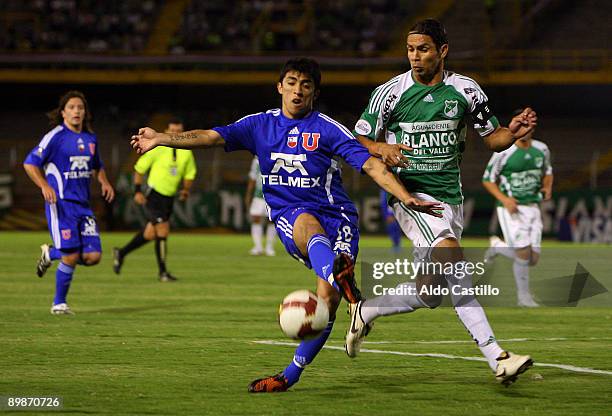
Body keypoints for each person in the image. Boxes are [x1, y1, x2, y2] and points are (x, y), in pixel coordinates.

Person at [130, 57, 441, 392]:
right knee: (307, 225)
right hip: (292, 215)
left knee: (327, 304)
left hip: (339, 217)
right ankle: (340, 276)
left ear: (314, 93)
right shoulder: (259, 125)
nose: (298, 90)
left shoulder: (327, 128)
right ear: (280, 87)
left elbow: (371, 165)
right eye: (292, 82)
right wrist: (162, 137)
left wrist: (405, 197)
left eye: (306, 85)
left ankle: (289, 375)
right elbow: (209, 136)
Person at [347, 19, 537, 385]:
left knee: (429, 291)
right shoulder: (389, 93)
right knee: (452, 257)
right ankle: (497, 355)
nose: (415, 57)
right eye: (410, 50)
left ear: (442, 51)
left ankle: (366, 310)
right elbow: (358, 141)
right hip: (411, 196)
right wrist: (382, 147)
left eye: (423, 49)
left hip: (450, 197)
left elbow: (492, 138)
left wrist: (512, 133)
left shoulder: (465, 90)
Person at [24, 90, 115, 315]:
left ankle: (51, 254)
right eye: (72, 107)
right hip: (61, 204)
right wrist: (44, 186)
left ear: (85, 113)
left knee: (93, 257)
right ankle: (59, 304)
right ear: (63, 112)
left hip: (83, 206)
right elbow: (29, 163)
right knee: (72, 255)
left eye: (80, 108)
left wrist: (104, 181)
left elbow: (97, 165)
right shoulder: (55, 136)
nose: (76, 111)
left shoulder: (90, 138)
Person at [482, 110, 553, 307]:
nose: (526, 128)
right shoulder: (504, 151)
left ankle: (498, 247)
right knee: (523, 254)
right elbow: (487, 179)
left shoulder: (542, 149)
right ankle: (524, 298)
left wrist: (547, 187)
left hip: (533, 206)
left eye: (529, 124)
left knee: (533, 259)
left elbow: (547, 171)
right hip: (511, 209)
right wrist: (504, 200)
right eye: (522, 123)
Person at [113, 118, 196, 282]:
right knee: (163, 230)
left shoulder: (186, 151)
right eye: (172, 131)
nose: (175, 134)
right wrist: (137, 191)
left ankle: (121, 253)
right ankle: (163, 272)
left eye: (179, 131)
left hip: (169, 197)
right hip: (154, 195)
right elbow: (139, 168)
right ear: (167, 131)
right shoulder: (158, 148)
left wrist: (185, 190)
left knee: (150, 234)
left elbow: (189, 173)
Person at [244, 156, 276, 256]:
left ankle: (269, 247)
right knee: (255, 218)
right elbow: (253, 177)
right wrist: (248, 194)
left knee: (271, 220)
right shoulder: (256, 160)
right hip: (258, 194)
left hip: (272, 194)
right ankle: (258, 247)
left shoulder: (275, 157)